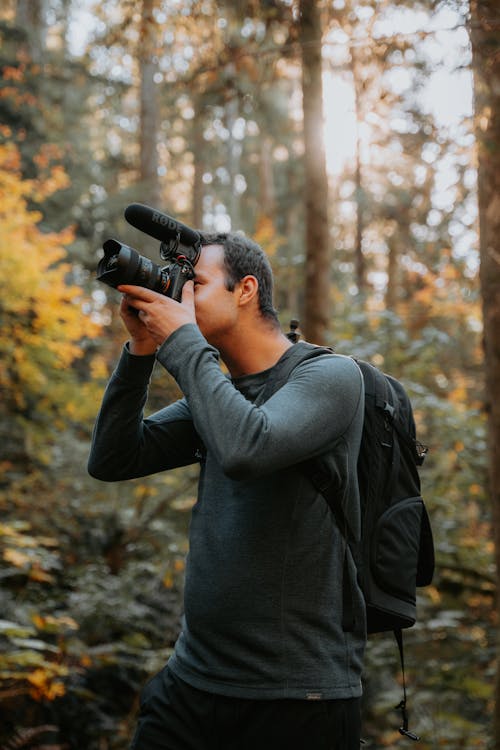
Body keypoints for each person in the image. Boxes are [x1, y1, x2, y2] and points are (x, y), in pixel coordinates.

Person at [88, 232, 366, 750]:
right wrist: (143, 351)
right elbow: (112, 459)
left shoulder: (331, 377)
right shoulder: (218, 396)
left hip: (296, 698)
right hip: (190, 683)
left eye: (195, 284)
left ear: (245, 290)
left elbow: (246, 449)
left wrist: (182, 341)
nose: (182, 299)